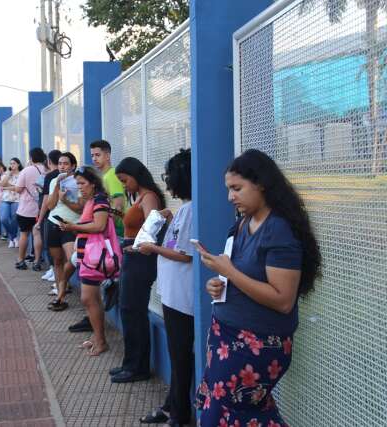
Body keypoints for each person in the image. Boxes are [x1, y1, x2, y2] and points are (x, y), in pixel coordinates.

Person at [194, 149, 321, 426]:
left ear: (261, 183)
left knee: (223, 416)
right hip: (225, 336)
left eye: (237, 188)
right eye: (229, 189)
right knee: (246, 414)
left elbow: (283, 299)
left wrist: (230, 272)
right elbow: (238, 277)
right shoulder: (242, 224)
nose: (230, 197)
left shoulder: (278, 229)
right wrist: (218, 284)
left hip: (256, 344)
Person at [138, 149, 194, 427]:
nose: (167, 180)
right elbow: (179, 244)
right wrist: (171, 223)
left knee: (182, 357)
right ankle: (172, 405)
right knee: (177, 355)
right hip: (173, 296)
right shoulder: (185, 209)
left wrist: (152, 247)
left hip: (183, 300)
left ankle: (180, 415)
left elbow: (185, 254)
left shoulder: (195, 209)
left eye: (170, 175)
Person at [110, 157, 165, 384]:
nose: (124, 186)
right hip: (132, 257)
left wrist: (135, 245)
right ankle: (130, 362)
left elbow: (153, 228)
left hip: (140, 260)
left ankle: (138, 367)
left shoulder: (149, 196)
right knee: (128, 310)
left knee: (134, 312)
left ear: (135, 174)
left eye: (125, 180)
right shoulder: (141, 197)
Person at [69, 140, 127, 335]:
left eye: (98, 155)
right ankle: (95, 330)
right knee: (91, 295)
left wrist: (102, 212)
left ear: (108, 155)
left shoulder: (110, 177)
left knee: (93, 293)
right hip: (94, 246)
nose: (94, 158)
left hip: (107, 242)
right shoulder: (96, 189)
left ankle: (99, 335)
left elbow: (118, 206)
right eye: (92, 155)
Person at [58, 166, 112, 356]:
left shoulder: (99, 200)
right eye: (77, 183)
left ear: (93, 183)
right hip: (87, 255)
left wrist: (73, 226)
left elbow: (99, 225)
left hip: (93, 257)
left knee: (88, 298)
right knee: (93, 298)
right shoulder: (91, 200)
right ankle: (98, 338)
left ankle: (101, 340)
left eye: (82, 183)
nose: (79, 187)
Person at [45, 152, 81, 311]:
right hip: (54, 223)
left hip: (71, 225)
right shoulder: (54, 181)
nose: (62, 166)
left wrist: (65, 199)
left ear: (73, 165)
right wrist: (57, 187)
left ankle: (68, 287)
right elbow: (50, 206)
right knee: (57, 261)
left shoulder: (78, 182)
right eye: (60, 163)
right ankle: (61, 293)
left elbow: (80, 208)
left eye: (65, 163)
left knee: (72, 259)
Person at [14, 147, 46, 270]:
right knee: (37, 234)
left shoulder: (26, 170)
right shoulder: (47, 170)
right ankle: (37, 262)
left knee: (24, 234)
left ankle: (21, 260)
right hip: (41, 209)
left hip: (25, 209)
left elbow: (18, 189)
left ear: (31, 158)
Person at [35, 149, 62, 282]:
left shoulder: (50, 176)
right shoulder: (63, 175)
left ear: (49, 161)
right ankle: (54, 271)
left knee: (49, 244)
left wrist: (39, 220)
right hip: (61, 214)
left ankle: (53, 269)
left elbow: (46, 200)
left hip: (50, 215)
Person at [0, 157, 22, 248]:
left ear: (18, 164)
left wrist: (6, 187)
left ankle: (12, 239)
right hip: (5, 199)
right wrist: (9, 175)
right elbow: (1, 185)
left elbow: (18, 188)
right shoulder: (6, 174)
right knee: (3, 219)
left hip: (17, 200)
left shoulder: (21, 174)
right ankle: (13, 237)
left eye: (14, 163)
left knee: (14, 219)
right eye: (11, 163)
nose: (12, 165)